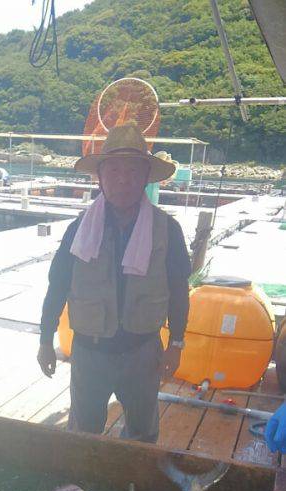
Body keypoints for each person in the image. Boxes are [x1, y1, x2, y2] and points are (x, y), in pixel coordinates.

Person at [37, 122, 191, 442]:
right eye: (115, 170)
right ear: (101, 176)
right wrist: (44, 339)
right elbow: (58, 284)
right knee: (83, 434)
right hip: (89, 353)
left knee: (142, 435)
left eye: (133, 171)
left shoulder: (167, 230)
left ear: (145, 177)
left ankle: (132, 490)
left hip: (142, 353)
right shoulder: (80, 229)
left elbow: (179, 290)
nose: (123, 179)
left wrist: (176, 343)